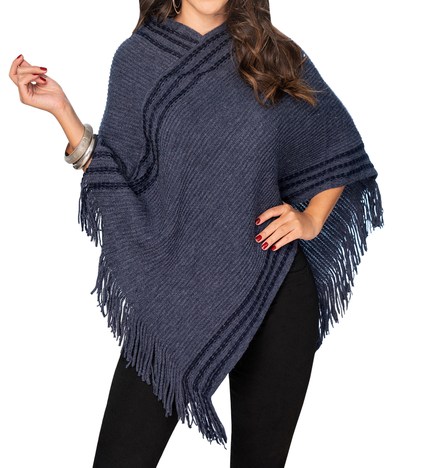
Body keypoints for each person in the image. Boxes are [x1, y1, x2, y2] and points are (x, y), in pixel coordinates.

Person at [9, 1, 384, 467]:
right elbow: (120, 179)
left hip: (275, 285)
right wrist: (62, 110)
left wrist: (310, 220)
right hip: (176, 297)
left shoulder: (270, 53)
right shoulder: (138, 58)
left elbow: (336, 144)